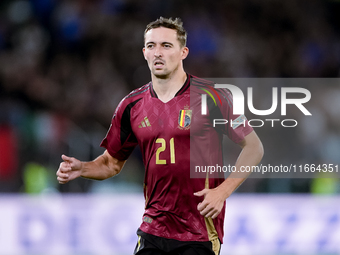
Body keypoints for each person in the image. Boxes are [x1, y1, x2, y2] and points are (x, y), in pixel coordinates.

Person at [57, 17, 264, 255]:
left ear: (183, 52)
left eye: (166, 46)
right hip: (153, 228)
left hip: (198, 232)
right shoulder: (131, 105)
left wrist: (222, 191)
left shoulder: (214, 97)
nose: (158, 52)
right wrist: (82, 168)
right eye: (152, 46)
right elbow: (111, 163)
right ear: (144, 52)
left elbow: (254, 147)